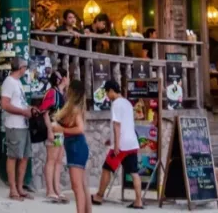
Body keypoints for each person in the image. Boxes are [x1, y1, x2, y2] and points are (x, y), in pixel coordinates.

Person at [91, 80, 143, 209]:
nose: (107, 96)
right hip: (132, 143)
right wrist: (112, 139)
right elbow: (126, 123)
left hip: (122, 145)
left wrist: (116, 145)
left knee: (106, 169)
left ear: (111, 91)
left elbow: (117, 125)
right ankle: (138, 201)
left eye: (107, 93)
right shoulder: (127, 103)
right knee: (134, 172)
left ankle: (99, 196)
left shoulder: (116, 104)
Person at [52, 80, 92, 213]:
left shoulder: (74, 109)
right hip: (77, 146)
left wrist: (60, 129)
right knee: (82, 184)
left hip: (76, 147)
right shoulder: (76, 107)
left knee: (76, 186)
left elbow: (80, 129)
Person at [1, 56, 37, 201]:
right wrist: (23, 112)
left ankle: (20, 187)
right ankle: (13, 189)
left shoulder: (18, 83)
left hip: (23, 124)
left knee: (24, 156)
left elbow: (20, 102)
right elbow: (5, 104)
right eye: (25, 67)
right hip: (14, 125)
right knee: (13, 156)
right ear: (21, 67)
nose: (25, 70)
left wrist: (30, 109)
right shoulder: (9, 82)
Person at [40, 69, 69, 203]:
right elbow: (45, 112)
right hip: (53, 129)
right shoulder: (52, 93)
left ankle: (57, 188)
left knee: (58, 160)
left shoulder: (63, 94)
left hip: (61, 130)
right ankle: (50, 189)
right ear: (62, 79)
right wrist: (49, 130)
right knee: (51, 159)